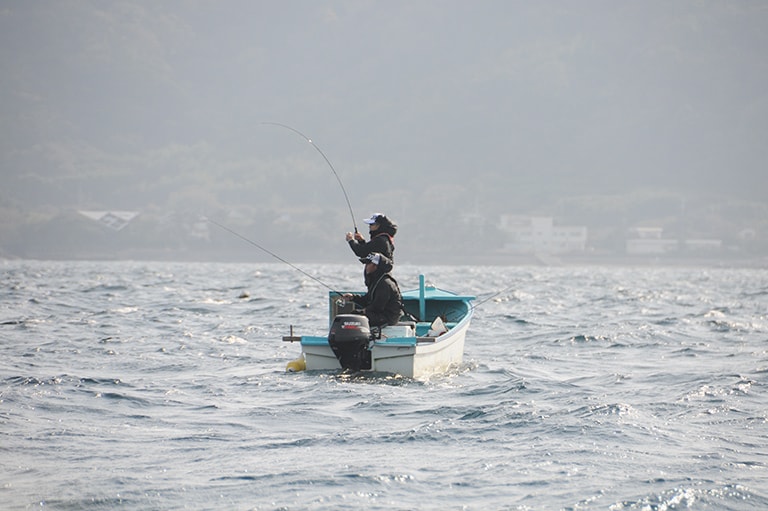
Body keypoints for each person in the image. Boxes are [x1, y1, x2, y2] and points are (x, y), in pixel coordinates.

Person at [343, 252, 403, 328]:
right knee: (354, 315)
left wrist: (363, 311)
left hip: (388, 318)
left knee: (354, 318)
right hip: (380, 314)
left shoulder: (384, 283)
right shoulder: (376, 280)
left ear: (375, 266)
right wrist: (353, 297)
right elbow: (368, 299)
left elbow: (378, 306)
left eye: (368, 264)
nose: (366, 266)